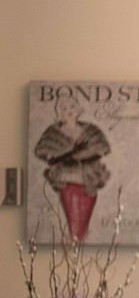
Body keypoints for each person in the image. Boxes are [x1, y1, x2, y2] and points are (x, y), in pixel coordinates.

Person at [34, 93, 112, 240]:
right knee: (73, 216)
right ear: (59, 113)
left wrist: (81, 159)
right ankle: (75, 240)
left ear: (78, 109)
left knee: (86, 213)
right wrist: (71, 154)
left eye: (72, 106)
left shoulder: (91, 130)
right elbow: (48, 157)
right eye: (64, 108)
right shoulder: (53, 132)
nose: (69, 110)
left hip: (89, 177)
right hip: (66, 178)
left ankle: (82, 239)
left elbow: (101, 150)